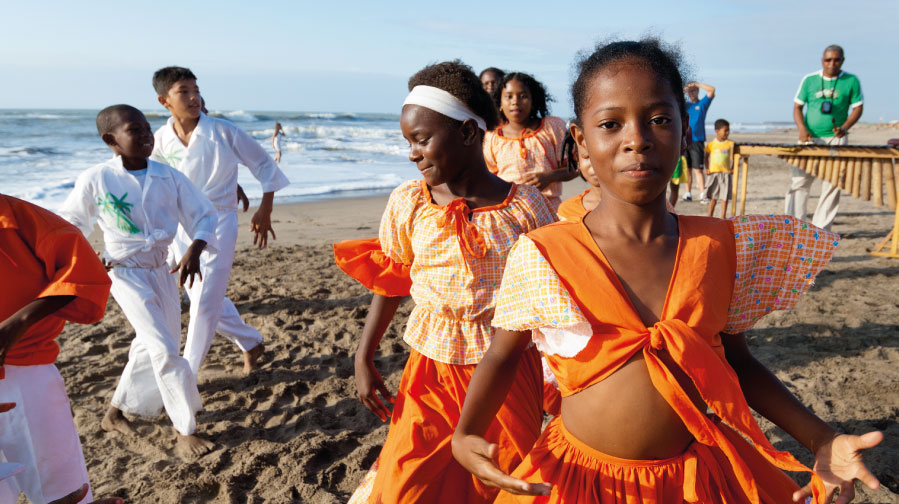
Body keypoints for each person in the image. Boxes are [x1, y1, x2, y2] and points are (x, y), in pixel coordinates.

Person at [452, 38, 883, 504]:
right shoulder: (544, 252)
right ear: (580, 141)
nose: (636, 138)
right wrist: (467, 431)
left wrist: (821, 438)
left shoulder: (720, 245)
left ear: (683, 130)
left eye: (659, 119)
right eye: (611, 124)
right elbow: (501, 355)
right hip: (581, 480)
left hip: (696, 482)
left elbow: (735, 363)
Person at [335, 61, 556, 503]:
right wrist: (364, 356)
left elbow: (552, 288)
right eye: (407, 142)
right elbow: (392, 278)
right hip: (430, 368)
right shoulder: (408, 203)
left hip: (508, 366)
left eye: (421, 139)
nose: (412, 153)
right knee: (406, 478)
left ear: (469, 134)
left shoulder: (524, 207)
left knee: (505, 476)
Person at [59, 104, 220, 458]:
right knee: (163, 349)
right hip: (124, 273)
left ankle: (113, 414)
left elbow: (204, 213)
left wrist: (197, 245)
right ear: (110, 140)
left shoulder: (168, 175)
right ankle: (184, 429)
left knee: (150, 346)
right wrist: (85, 263)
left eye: (148, 127)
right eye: (135, 130)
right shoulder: (96, 178)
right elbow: (71, 226)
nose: (147, 134)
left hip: (163, 271)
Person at [150, 66, 290, 377]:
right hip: (177, 227)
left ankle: (185, 377)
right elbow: (157, 183)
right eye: (183, 92)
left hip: (217, 222)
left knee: (203, 306)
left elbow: (265, 167)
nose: (193, 96)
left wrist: (264, 210)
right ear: (164, 101)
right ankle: (251, 342)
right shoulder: (160, 140)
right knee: (203, 295)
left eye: (195, 89)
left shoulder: (225, 132)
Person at [0, 193, 112, 503]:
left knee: (60, 486)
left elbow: (83, 272)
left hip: (26, 370)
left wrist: (19, 322)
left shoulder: (23, 219)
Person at [786, 44, 864, 231]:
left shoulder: (851, 80)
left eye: (836, 60)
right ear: (822, 61)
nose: (832, 64)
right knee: (799, 182)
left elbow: (858, 107)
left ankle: (821, 231)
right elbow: (797, 107)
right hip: (809, 140)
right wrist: (802, 129)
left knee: (832, 185)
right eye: (828, 60)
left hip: (836, 140)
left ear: (842, 61)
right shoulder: (809, 80)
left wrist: (845, 128)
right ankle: (794, 226)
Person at [483, 72, 579, 213]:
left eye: (523, 96)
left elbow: (577, 166)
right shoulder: (491, 137)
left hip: (549, 211)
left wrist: (549, 177)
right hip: (508, 213)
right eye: (508, 97)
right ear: (500, 102)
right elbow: (488, 179)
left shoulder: (552, 127)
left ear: (534, 100)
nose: (515, 101)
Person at [681, 81, 715, 203]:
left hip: (697, 141)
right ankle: (688, 193)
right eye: (690, 91)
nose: (692, 93)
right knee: (687, 169)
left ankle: (702, 194)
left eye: (694, 91)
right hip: (685, 140)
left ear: (697, 92)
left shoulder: (702, 104)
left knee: (698, 169)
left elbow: (711, 90)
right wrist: (686, 89)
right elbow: (675, 98)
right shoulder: (685, 105)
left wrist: (696, 84)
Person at [705, 118, 735, 218]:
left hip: (726, 173)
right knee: (713, 196)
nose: (727, 133)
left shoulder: (730, 144)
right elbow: (706, 156)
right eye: (725, 130)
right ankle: (709, 216)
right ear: (717, 131)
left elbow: (734, 157)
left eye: (728, 130)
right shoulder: (711, 144)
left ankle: (723, 216)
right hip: (714, 173)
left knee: (724, 196)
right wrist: (707, 167)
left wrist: (733, 167)